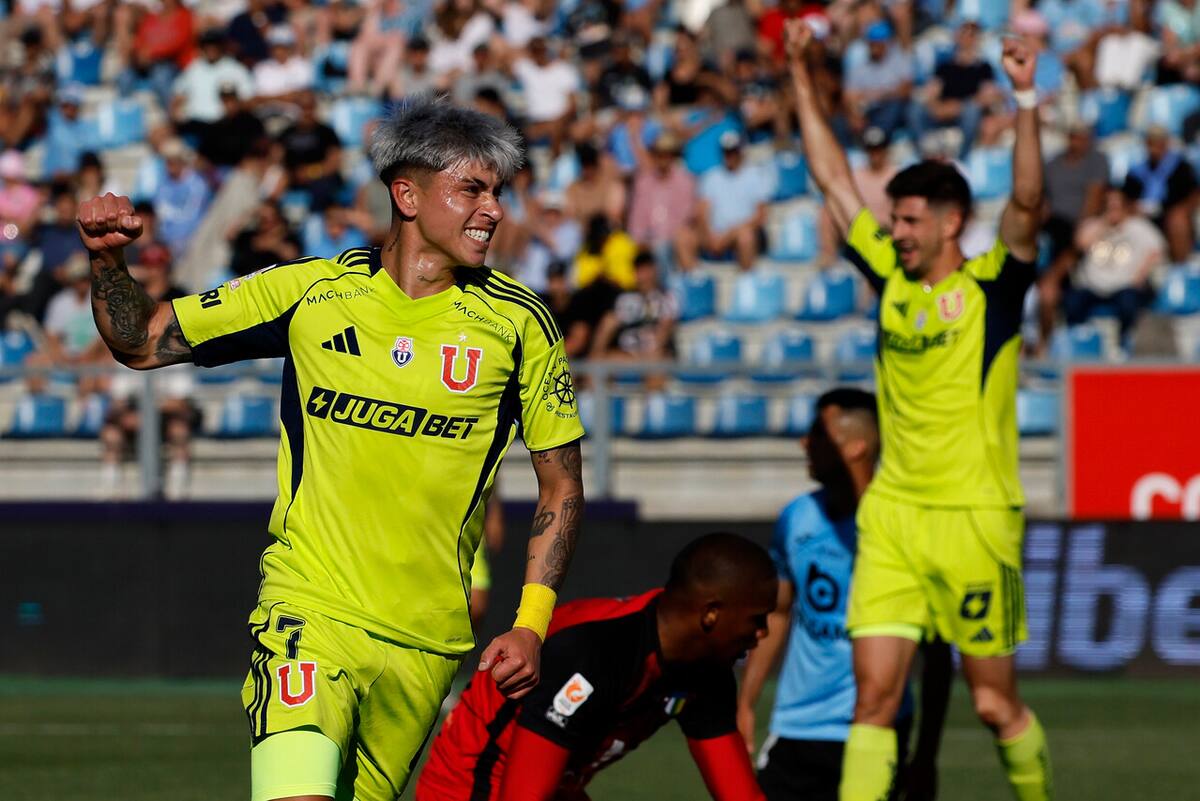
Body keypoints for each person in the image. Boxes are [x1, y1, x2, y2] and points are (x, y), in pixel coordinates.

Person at [77, 95, 586, 801]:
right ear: (406, 194)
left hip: (425, 643)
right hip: (309, 612)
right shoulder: (312, 293)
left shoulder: (520, 323)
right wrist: (107, 260)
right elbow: (141, 339)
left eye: (499, 192)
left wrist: (531, 623)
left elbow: (560, 485)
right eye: (472, 188)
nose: (494, 209)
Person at [786, 19, 1053, 801]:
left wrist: (1026, 95)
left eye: (908, 221)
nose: (893, 232)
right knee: (871, 701)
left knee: (995, 702)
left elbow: (1029, 200)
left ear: (949, 223)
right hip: (895, 518)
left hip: (974, 517)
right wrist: (802, 74)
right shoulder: (893, 282)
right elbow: (833, 179)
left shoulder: (993, 289)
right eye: (893, 219)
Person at [415, 532, 777, 801]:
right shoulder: (595, 654)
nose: (762, 633)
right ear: (711, 613)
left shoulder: (706, 670)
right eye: (757, 619)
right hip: (468, 788)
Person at [737, 388, 952, 801]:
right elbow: (779, 613)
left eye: (819, 432)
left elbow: (938, 655)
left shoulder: (907, 529)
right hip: (796, 730)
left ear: (855, 447)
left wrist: (926, 756)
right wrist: (746, 702)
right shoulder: (797, 517)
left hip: (878, 728)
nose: (805, 442)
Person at [1065, 184, 1165, 346]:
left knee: (1129, 302)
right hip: (1093, 287)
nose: (1113, 209)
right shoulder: (1095, 226)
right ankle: (1079, 344)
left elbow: (1156, 252)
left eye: (1117, 205)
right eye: (1109, 205)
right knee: (1073, 301)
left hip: (1124, 287)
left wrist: (1139, 276)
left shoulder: (1139, 228)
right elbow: (1081, 244)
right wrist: (1104, 224)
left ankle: (1124, 343)